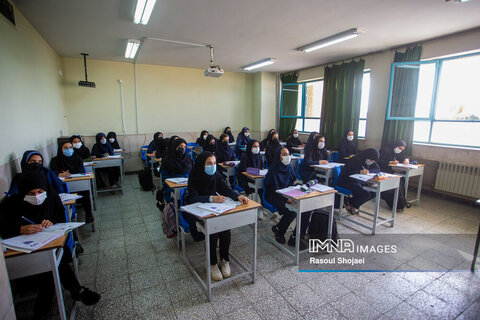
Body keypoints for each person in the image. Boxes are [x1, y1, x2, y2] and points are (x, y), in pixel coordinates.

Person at [0, 172, 101, 318]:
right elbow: (3, 227)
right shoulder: (10, 204)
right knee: (50, 266)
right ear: (22, 191)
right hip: (22, 251)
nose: (36, 196)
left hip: (48, 244)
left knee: (53, 260)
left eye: (40, 192)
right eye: (30, 193)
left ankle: (46, 307)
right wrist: (19, 229)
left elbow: (60, 217)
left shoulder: (51, 196)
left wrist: (50, 221)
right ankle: (74, 290)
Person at [186, 152, 249, 281]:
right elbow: (192, 197)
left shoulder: (216, 175)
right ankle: (212, 263)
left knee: (225, 228)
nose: (212, 166)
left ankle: (225, 260)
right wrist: (210, 198)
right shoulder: (194, 176)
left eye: (214, 163)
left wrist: (238, 196)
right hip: (199, 212)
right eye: (209, 163)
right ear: (201, 164)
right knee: (213, 232)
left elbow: (226, 189)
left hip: (215, 211)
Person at [265, 147, 311, 250]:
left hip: (288, 194)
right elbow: (273, 190)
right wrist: (286, 199)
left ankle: (297, 236)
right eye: (284, 154)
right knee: (292, 210)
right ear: (278, 156)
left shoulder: (289, 167)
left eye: (288, 154)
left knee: (305, 208)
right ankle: (279, 230)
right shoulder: (274, 168)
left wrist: (299, 188)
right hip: (274, 195)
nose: (287, 157)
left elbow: (293, 182)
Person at [50, 140, 94, 223]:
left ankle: (88, 214)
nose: (69, 149)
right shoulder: (55, 160)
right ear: (60, 149)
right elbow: (52, 172)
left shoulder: (77, 158)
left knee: (85, 193)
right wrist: (59, 174)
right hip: (63, 185)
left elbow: (81, 171)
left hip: (77, 182)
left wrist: (71, 174)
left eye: (70, 147)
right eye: (66, 148)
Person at [337, 148, 381, 214]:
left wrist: (369, 171)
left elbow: (378, 169)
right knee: (365, 194)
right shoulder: (355, 160)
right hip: (347, 181)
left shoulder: (371, 161)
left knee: (374, 192)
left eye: (373, 161)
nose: (371, 162)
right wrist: (359, 171)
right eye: (371, 160)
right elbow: (346, 173)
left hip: (359, 181)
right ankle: (352, 203)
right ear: (367, 156)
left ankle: (352, 204)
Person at [378, 140, 410, 210]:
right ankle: (396, 203)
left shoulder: (397, 152)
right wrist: (389, 162)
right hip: (383, 171)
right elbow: (379, 161)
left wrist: (406, 159)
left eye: (402, 149)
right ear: (396, 145)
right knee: (397, 181)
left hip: (392, 171)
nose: (400, 150)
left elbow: (403, 157)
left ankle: (400, 201)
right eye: (400, 148)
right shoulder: (385, 150)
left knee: (401, 179)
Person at [160, 138, 192, 204]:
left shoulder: (188, 159)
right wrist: (172, 181)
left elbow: (192, 172)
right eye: (181, 146)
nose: (183, 148)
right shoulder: (168, 159)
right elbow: (164, 175)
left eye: (184, 147)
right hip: (172, 184)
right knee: (176, 195)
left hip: (186, 183)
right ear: (175, 147)